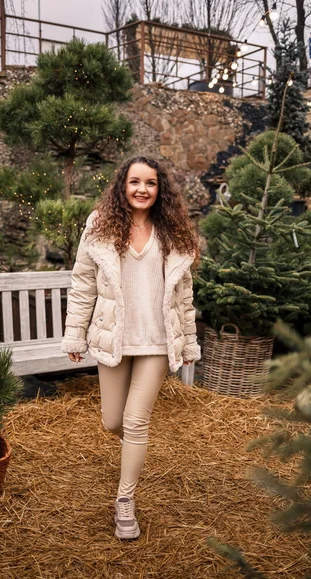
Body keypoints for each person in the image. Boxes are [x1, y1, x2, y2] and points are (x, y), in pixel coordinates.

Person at [61, 155, 201, 541]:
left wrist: (188, 341)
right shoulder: (100, 225)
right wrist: (75, 334)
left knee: (136, 421)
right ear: (123, 185)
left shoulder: (172, 230)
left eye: (151, 183)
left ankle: (125, 503)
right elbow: (83, 283)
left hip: (157, 340)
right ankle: (133, 448)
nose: (143, 189)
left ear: (160, 189)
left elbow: (184, 294)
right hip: (115, 338)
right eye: (135, 182)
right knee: (112, 421)